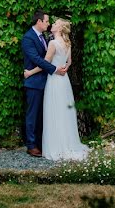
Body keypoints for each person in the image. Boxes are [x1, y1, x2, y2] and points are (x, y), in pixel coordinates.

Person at [24, 18, 90, 161]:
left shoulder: (53, 43)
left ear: (59, 29)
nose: (51, 25)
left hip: (54, 81)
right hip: (64, 81)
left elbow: (44, 64)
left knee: (53, 112)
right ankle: (66, 143)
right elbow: (69, 62)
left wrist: (29, 72)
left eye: (54, 24)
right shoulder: (67, 43)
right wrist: (65, 68)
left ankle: (56, 146)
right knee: (63, 113)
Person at [21, 11, 66, 157]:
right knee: (32, 115)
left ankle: (42, 143)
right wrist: (55, 70)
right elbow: (37, 59)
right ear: (39, 22)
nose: (48, 24)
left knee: (44, 115)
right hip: (34, 83)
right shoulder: (28, 38)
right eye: (46, 21)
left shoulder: (45, 38)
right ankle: (31, 145)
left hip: (47, 82)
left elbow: (50, 57)